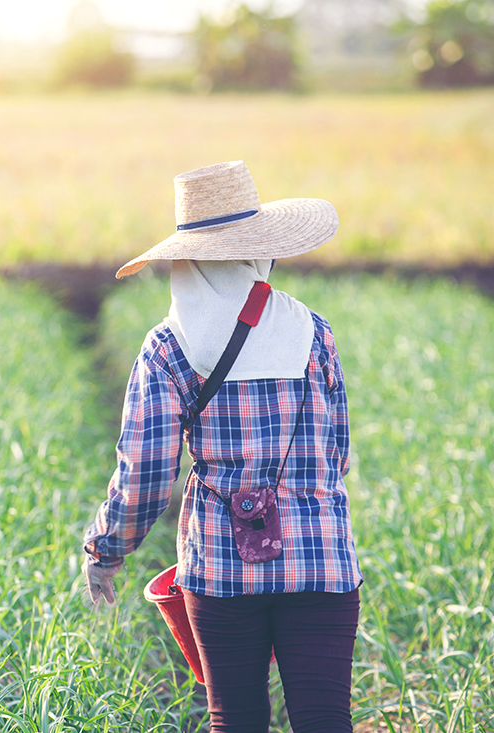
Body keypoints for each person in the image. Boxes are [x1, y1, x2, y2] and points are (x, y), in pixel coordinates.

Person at [83, 161, 362, 732]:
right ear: (258, 251)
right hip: (324, 560)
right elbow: (339, 457)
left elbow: (146, 477)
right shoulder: (314, 331)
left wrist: (105, 553)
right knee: (325, 720)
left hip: (221, 569)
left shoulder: (169, 347)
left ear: (184, 260)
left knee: (234, 720)